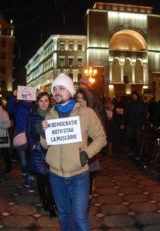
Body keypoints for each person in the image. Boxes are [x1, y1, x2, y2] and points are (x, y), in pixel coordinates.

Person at [40, 73, 107, 231]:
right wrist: (43, 134)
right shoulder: (50, 115)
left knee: (80, 218)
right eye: (54, 88)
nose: (57, 91)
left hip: (79, 176)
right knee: (63, 216)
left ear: (71, 90)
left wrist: (86, 154)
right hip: (55, 176)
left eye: (61, 88)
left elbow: (101, 138)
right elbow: (45, 144)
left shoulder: (86, 113)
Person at [27, 92, 56, 217]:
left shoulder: (54, 115)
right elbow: (28, 133)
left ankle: (51, 204)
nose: (44, 103)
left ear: (49, 102)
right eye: (41, 101)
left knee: (51, 180)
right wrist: (33, 144)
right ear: (37, 102)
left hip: (53, 151)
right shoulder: (33, 117)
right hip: (39, 152)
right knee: (42, 179)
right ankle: (44, 199)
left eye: (46, 100)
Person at [6, 87, 34, 191]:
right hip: (20, 134)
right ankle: (24, 175)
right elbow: (9, 108)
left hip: (31, 136)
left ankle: (30, 180)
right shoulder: (19, 106)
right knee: (23, 162)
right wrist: (13, 96)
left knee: (31, 160)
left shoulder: (34, 107)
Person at [121, 91, 147, 156]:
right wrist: (122, 123)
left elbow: (144, 114)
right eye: (133, 96)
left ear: (137, 96)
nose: (134, 97)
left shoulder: (141, 105)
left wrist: (143, 123)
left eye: (135, 96)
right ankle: (131, 150)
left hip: (138, 124)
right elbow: (125, 114)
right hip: (130, 123)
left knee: (138, 138)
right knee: (130, 137)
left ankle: (137, 151)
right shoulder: (129, 105)